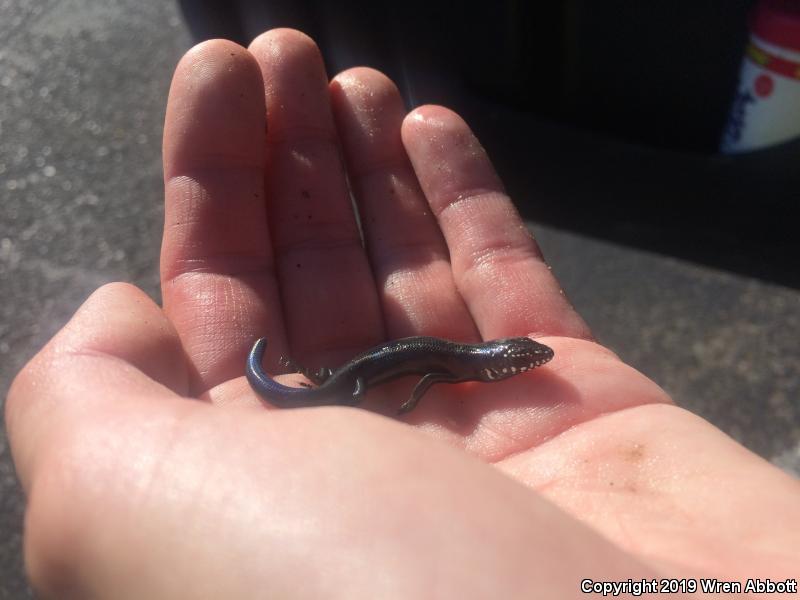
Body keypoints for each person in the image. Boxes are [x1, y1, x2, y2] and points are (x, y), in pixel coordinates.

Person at [6, 29, 799, 598]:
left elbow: (430, 379)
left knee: (345, 371)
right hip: (343, 381)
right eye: (524, 361)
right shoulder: (462, 370)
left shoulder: (469, 368)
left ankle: (296, 379)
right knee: (342, 376)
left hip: (347, 375)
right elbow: (423, 381)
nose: (526, 365)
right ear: (504, 364)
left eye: (523, 362)